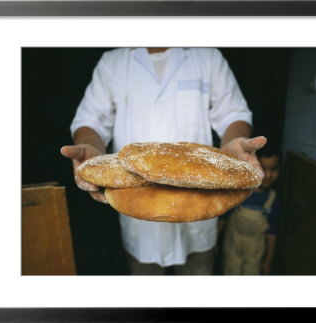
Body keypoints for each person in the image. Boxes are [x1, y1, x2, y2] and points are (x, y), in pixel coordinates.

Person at [60, 47, 266, 275]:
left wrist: (234, 143)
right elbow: (90, 120)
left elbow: (233, 114)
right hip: (136, 208)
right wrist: (91, 146)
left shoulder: (207, 56)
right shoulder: (113, 62)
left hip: (200, 211)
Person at [220, 144, 281, 275]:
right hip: (232, 249)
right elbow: (223, 218)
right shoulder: (239, 193)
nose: (268, 175)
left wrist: (268, 261)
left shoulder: (273, 199)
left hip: (255, 255)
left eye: (274, 169)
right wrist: (213, 241)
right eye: (263, 169)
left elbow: (272, 234)